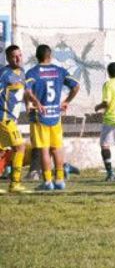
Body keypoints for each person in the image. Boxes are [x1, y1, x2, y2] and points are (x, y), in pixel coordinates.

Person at [25, 44, 81, 191]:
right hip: (55, 115)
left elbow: (27, 91)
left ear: (37, 57)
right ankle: (60, 180)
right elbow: (76, 86)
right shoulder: (59, 71)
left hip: (40, 115)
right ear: (50, 56)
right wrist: (66, 101)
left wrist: (36, 102)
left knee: (44, 150)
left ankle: (47, 182)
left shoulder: (32, 72)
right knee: (56, 148)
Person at [0, 45, 30, 193]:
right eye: (14, 56)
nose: (18, 59)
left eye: (20, 55)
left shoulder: (22, 72)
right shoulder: (4, 74)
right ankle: (15, 183)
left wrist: (28, 105)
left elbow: (23, 92)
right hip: (4, 118)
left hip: (10, 118)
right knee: (20, 147)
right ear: (8, 58)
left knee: (2, 152)